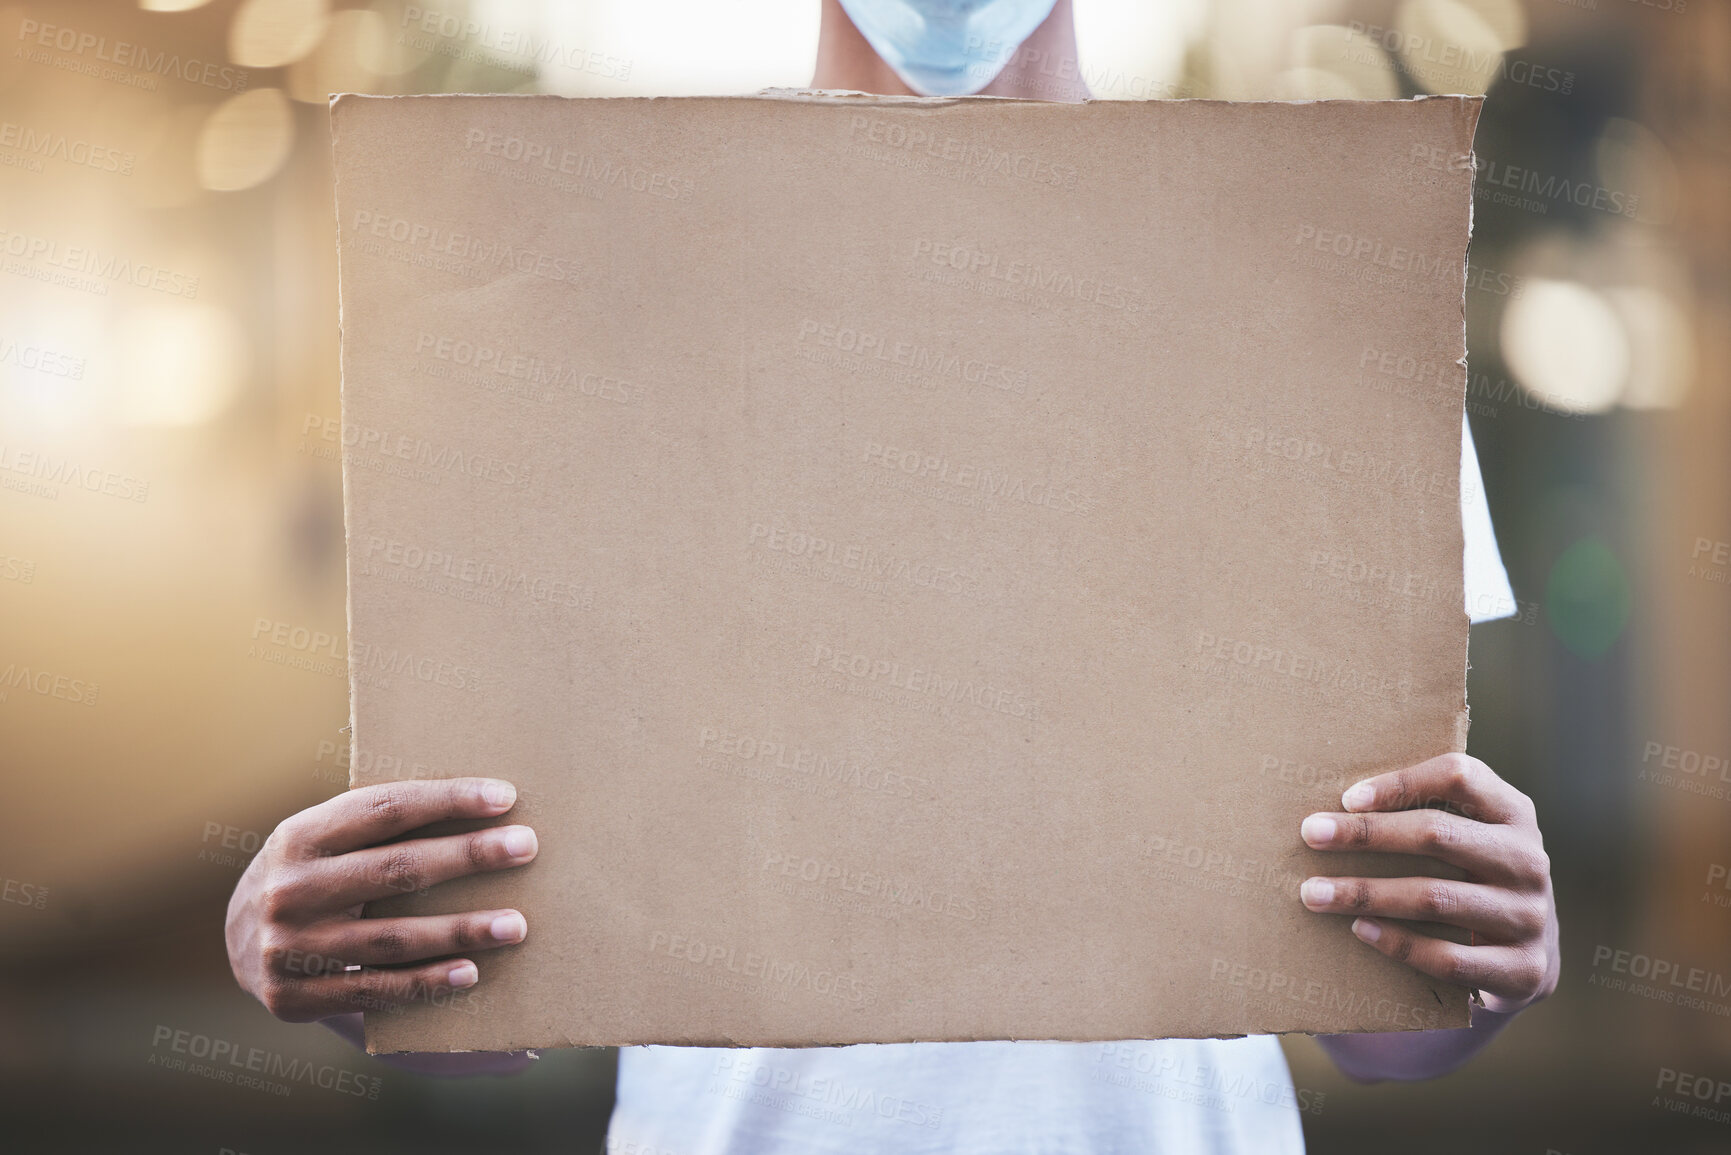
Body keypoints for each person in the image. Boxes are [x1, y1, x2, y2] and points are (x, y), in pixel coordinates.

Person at [225, 1, 1561, 1149]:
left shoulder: (1306, 283)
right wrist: (335, 950)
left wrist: (1480, 960)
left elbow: (1376, 1019)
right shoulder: (581, 277)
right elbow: (492, 1005)